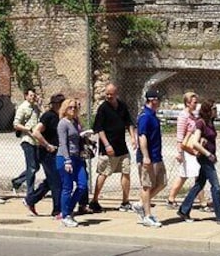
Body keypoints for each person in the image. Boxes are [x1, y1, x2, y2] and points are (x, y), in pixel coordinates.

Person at [177, 100, 220, 225]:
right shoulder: (201, 123)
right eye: (214, 108)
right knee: (216, 186)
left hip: (209, 157)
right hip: (205, 158)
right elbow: (195, 143)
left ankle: (184, 209)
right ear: (208, 110)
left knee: (199, 184)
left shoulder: (210, 123)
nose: (216, 111)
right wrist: (208, 154)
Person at [90, 83, 137, 213]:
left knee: (126, 172)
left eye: (111, 94)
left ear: (116, 93)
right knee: (104, 173)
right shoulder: (103, 108)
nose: (109, 96)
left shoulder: (122, 106)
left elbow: (129, 123)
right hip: (108, 148)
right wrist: (106, 145)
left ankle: (125, 201)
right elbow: (99, 129)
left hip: (122, 146)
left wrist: (133, 137)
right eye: (107, 94)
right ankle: (94, 200)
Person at [131, 90, 167, 228]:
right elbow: (142, 137)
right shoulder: (145, 116)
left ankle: (141, 204)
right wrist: (146, 157)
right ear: (152, 100)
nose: (160, 102)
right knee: (147, 186)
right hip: (148, 157)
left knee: (162, 182)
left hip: (157, 156)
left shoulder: (153, 115)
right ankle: (147, 215)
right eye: (158, 99)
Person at [56, 98, 89, 227]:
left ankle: (68, 209)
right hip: (65, 158)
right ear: (65, 109)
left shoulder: (75, 122)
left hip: (77, 157)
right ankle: (65, 215)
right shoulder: (63, 123)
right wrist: (67, 160)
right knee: (67, 187)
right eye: (70, 107)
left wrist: (84, 135)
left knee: (82, 184)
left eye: (75, 107)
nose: (73, 109)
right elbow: (63, 143)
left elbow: (76, 138)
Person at [31, 94, 64, 218]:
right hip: (47, 154)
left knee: (51, 180)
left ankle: (30, 200)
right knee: (56, 181)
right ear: (56, 105)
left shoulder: (60, 117)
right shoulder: (48, 116)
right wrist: (47, 145)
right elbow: (36, 132)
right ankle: (57, 210)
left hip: (57, 152)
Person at [166, 91, 199, 209]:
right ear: (187, 103)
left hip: (192, 149)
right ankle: (171, 198)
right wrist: (179, 152)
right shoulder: (183, 116)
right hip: (186, 149)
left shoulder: (193, 116)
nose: (196, 105)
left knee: (193, 175)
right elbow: (180, 135)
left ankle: (171, 198)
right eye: (194, 102)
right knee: (187, 175)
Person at [11, 88, 42, 201]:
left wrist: (40, 105)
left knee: (35, 166)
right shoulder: (23, 108)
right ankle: (30, 192)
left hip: (36, 141)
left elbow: (41, 118)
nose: (33, 97)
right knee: (32, 167)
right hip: (27, 140)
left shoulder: (35, 107)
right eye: (31, 96)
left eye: (34, 95)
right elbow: (16, 124)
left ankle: (17, 182)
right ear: (26, 96)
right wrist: (28, 130)